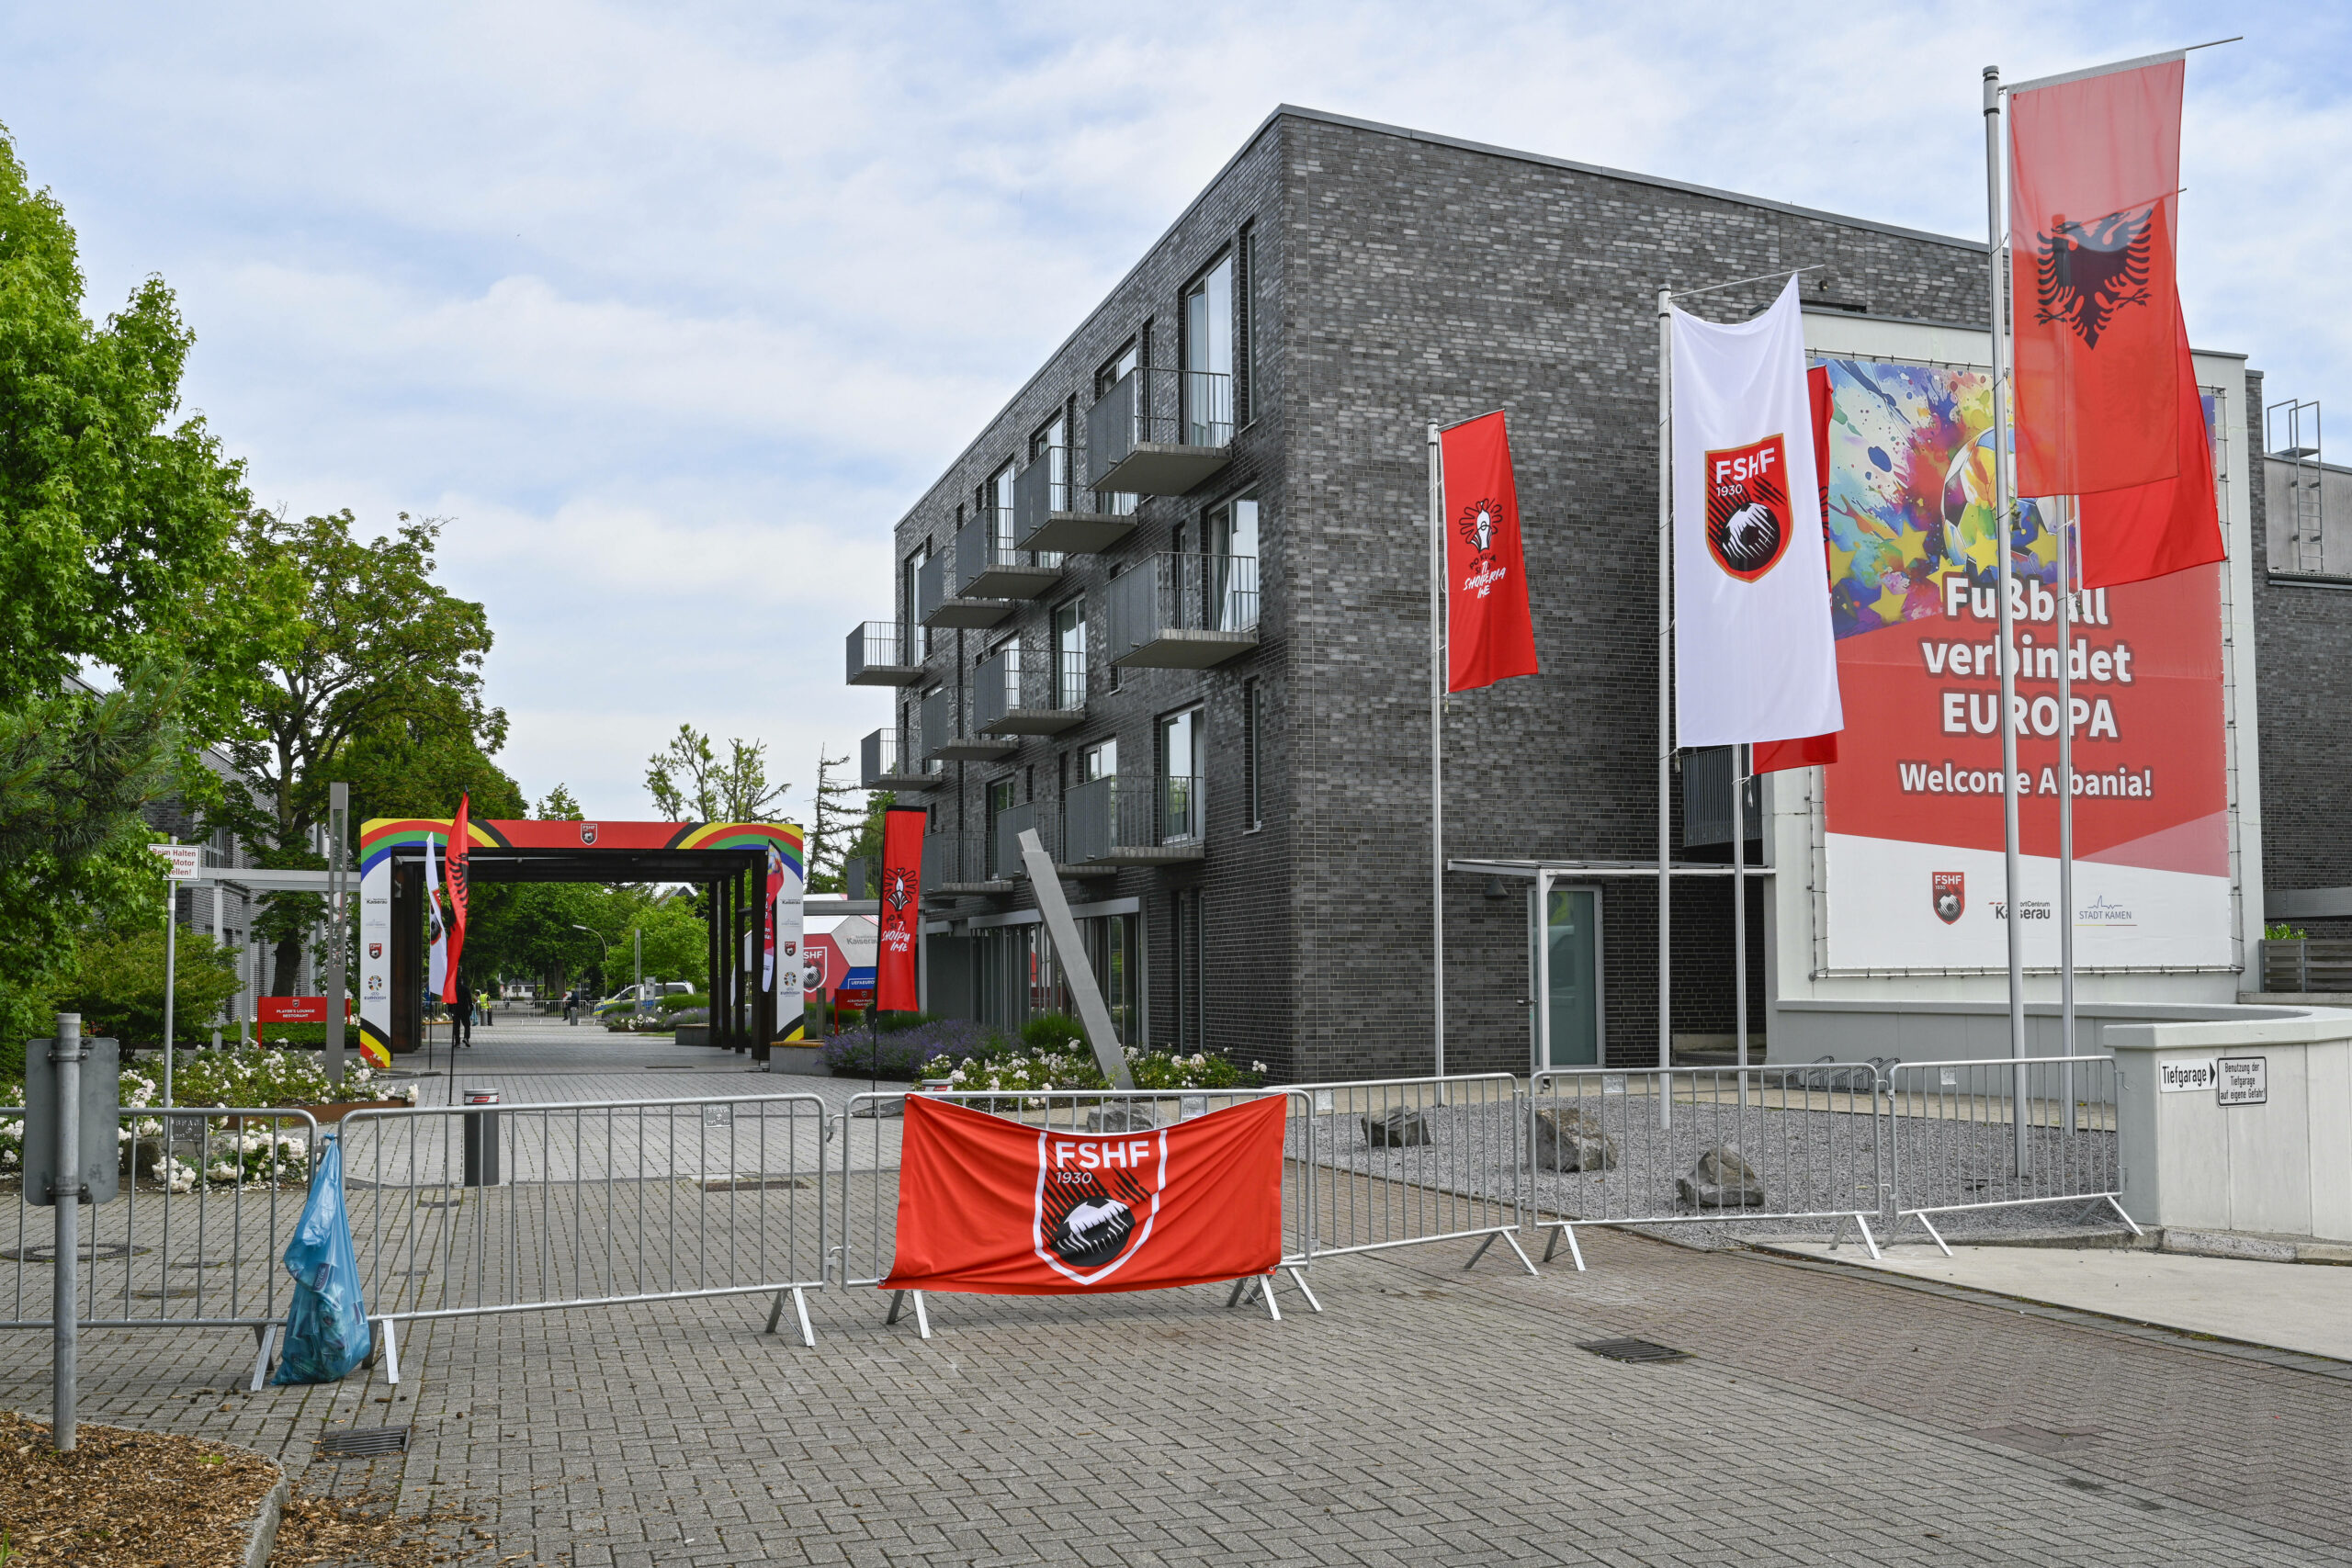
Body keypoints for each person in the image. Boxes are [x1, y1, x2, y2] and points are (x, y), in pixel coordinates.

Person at [452, 976, 476, 1049]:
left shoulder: (453, 989)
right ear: (462, 981)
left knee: (456, 1027)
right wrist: (471, 1009)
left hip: (455, 1009)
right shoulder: (466, 989)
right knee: (467, 1025)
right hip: (464, 1010)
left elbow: (450, 1001)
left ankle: (457, 1043)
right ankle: (466, 1038)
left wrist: (450, 1010)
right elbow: (469, 999)